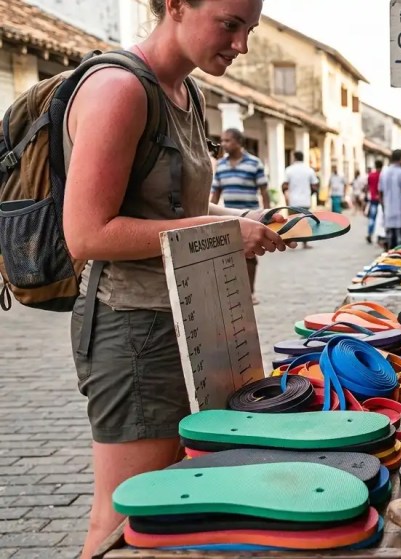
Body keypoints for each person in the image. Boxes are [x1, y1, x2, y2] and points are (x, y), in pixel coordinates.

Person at [61, 1, 290, 557]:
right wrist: (223, 235)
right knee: (123, 520)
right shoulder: (119, 89)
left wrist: (237, 220)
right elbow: (88, 234)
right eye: (229, 24)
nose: (241, 45)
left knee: (174, 508)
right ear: (175, 7)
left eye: (250, 29)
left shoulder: (188, 93)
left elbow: (171, 210)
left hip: (189, 320)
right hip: (133, 330)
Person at [210, 127, 268, 303]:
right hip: (229, 218)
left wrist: (267, 216)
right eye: (223, 140)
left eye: (227, 140)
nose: (223, 144)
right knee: (232, 255)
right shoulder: (221, 165)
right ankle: (235, 293)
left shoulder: (254, 163)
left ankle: (250, 292)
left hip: (250, 216)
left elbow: (264, 191)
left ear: (238, 142)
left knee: (250, 255)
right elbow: (216, 192)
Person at [282, 151, 319, 248]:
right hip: (305, 200)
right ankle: (305, 243)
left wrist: (286, 196)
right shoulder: (309, 170)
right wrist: (310, 194)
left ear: (294, 158)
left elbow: (284, 185)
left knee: (292, 222)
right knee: (305, 221)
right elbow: (315, 186)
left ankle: (291, 242)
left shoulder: (289, 170)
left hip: (293, 201)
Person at [365, 159, 383, 244]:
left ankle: (370, 233)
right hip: (381, 199)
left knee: (372, 218)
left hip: (372, 198)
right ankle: (380, 236)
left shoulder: (371, 175)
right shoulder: (382, 175)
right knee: (381, 218)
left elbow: (367, 186)